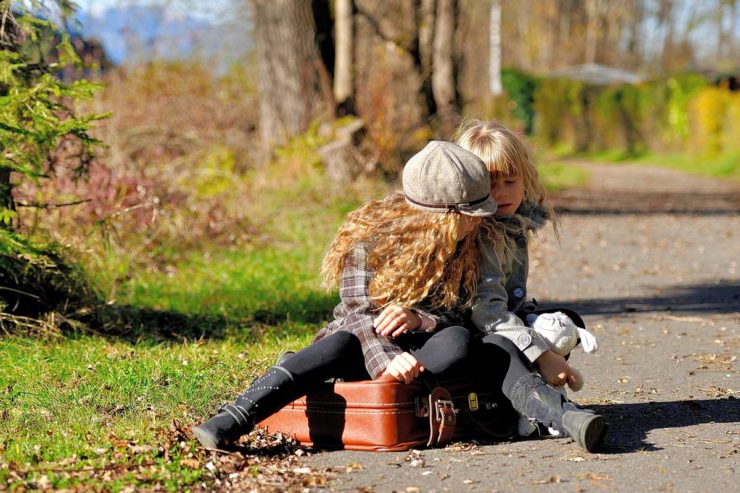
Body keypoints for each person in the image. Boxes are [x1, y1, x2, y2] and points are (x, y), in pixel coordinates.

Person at [192, 141, 498, 450]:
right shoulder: (370, 243)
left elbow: (460, 311)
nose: (478, 220)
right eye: (470, 213)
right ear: (441, 215)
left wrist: (419, 319)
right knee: (340, 342)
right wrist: (389, 362)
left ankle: (385, 397)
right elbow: (358, 313)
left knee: (458, 338)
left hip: (419, 354)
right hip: (360, 345)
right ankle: (235, 416)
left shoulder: (466, 245)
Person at [456, 120, 607, 452]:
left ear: (526, 178)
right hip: (472, 333)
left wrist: (538, 323)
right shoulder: (481, 234)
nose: (502, 194)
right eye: (490, 185)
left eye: (511, 182)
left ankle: (539, 406)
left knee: (563, 321)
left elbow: (509, 301)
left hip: (496, 323)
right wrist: (542, 354)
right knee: (512, 346)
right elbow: (487, 311)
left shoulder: (512, 225)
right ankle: (559, 415)